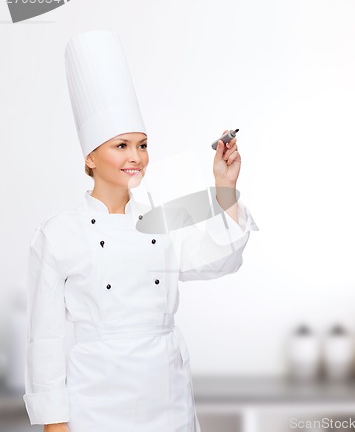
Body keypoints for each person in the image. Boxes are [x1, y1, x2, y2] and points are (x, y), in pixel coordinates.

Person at [23, 30, 258, 432]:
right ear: (90, 157)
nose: (137, 158)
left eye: (143, 145)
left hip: (164, 391)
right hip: (93, 399)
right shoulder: (58, 233)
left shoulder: (162, 216)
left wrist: (224, 187)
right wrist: (54, 422)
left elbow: (223, 260)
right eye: (122, 146)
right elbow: (43, 337)